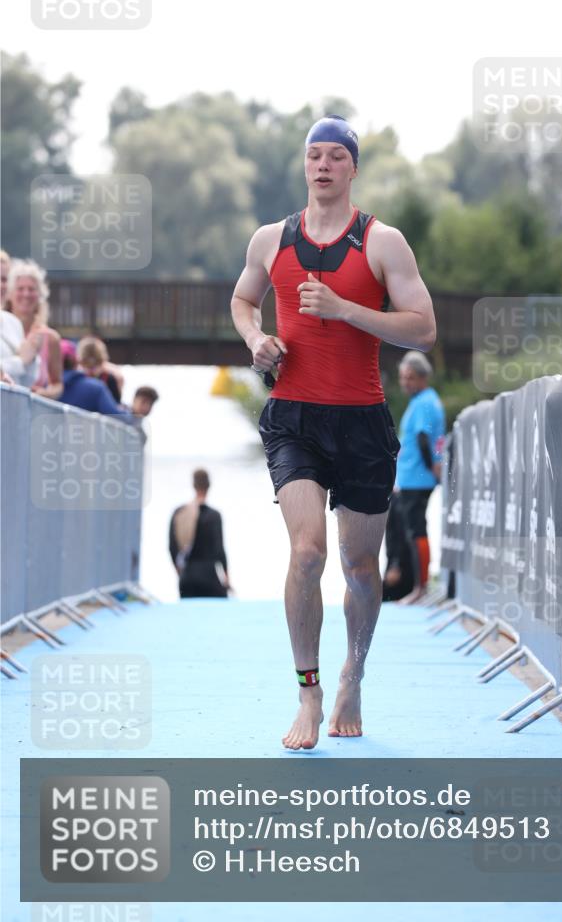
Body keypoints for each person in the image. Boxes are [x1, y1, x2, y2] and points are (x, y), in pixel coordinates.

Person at [231, 114, 436, 750]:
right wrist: (257, 340)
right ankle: (309, 691)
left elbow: (423, 327)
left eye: (335, 156)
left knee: (359, 567)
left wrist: (348, 309)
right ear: (304, 166)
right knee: (308, 552)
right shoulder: (271, 239)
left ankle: (354, 670)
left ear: (351, 168)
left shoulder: (383, 242)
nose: (322, 165)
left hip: (362, 421)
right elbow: (243, 301)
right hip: (293, 416)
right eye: (313, 155)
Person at [395, 351, 446, 605]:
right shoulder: (421, 401)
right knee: (413, 530)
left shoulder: (425, 402)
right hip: (411, 477)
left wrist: (431, 468)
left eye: (410, 378)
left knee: (417, 530)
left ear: (423, 377)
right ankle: (419, 585)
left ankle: (421, 587)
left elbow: (425, 439)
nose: (405, 383)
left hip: (419, 478)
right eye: (403, 378)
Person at [169, 469, 232, 598]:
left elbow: (172, 547)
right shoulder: (214, 516)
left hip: (187, 578)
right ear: (208, 486)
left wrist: (180, 573)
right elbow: (220, 550)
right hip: (209, 577)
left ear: (193, 485)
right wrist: (227, 578)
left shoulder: (179, 512)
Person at [5, 259, 63, 400]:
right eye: (20, 289)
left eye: (31, 289)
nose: (26, 294)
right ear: (10, 294)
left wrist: (45, 394)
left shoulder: (50, 338)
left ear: (40, 295)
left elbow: (58, 384)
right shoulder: (3, 329)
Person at [59, 339, 131, 417]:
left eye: (95, 365)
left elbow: (115, 408)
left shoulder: (110, 379)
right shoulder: (74, 380)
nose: (91, 371)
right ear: (79, 363)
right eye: (86, 365)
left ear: (102, 363)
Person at [77, 334, 124, 403]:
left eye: (95, 365)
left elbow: (116, 404)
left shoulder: (113, 377)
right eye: (88, 366)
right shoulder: (77, 377)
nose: (91, 371)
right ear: (81, 363)